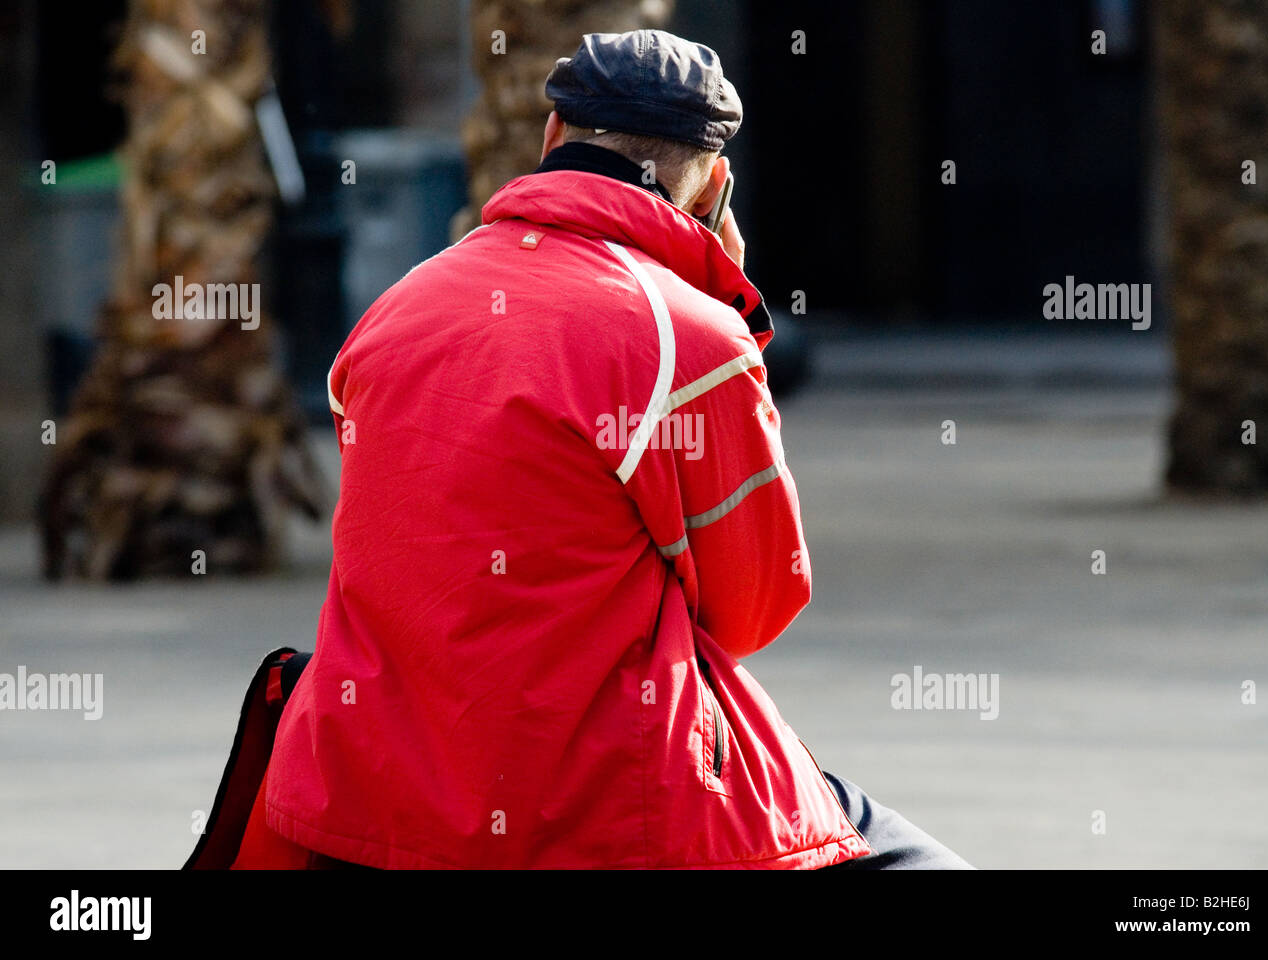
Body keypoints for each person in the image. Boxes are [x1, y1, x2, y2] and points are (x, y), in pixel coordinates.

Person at [247, 28, 971, 869]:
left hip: (361, 796)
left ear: (552, 139)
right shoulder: (689, 339)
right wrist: (724, 314)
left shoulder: (391, 314)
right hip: (603, 808)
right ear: (714, 185)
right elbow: (754, 610)